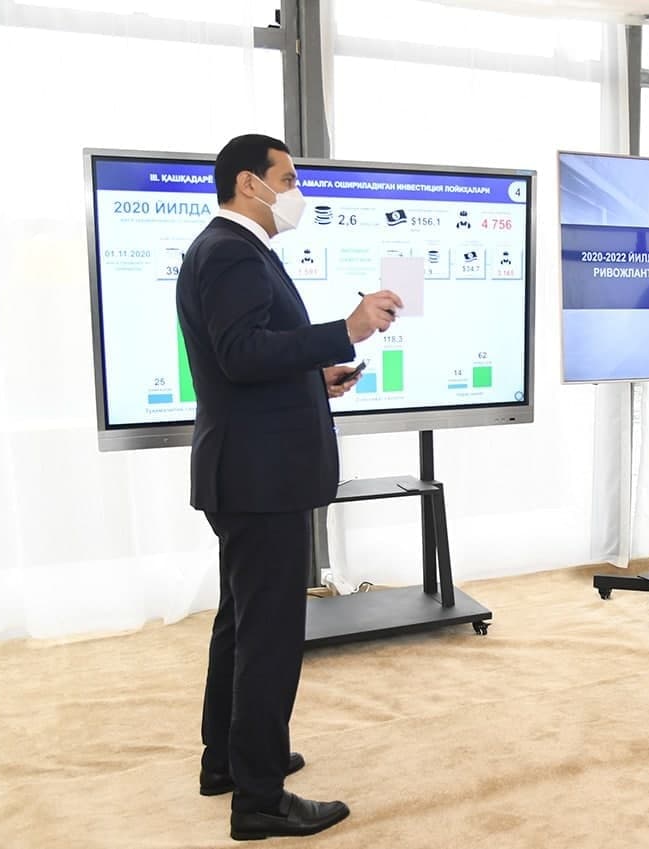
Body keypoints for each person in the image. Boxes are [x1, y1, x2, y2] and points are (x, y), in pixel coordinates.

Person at [176, 134, 403, 840]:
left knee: (242, 622)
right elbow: (241, 355)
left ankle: (229, 761)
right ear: (251, 183)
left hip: (247, 469)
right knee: (269, 635)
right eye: (289, 177)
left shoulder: (230, 249)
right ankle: (261, 799)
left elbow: (247, 361)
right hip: (259, 477)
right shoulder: (231, 252)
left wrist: (314, 378)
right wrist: (347, 330)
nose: (297, 191)